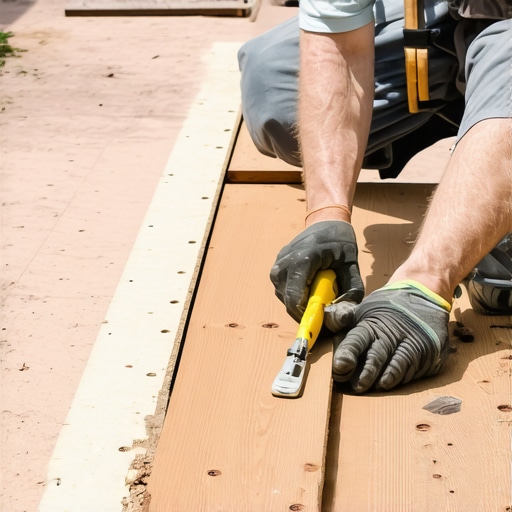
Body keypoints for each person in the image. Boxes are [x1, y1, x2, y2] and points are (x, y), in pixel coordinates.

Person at [238, 0, 512, 393]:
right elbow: (340, 47)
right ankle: (472, 108)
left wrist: (426, 282)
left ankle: (490, 172)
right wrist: (327, 212)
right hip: (446, 13)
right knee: (278, 90)